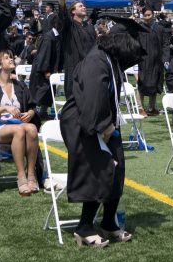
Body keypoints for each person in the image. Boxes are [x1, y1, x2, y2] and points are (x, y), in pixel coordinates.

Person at [59, 17, 145, 248]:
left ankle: (108, 222)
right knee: (102, 168)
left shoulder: (110, 58)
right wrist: (104, 128)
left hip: (103, 122)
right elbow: (93, 99)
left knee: (118, 170)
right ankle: (84, 227)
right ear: (119, 42)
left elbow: (136, 54)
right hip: (84, 123)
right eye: (130, 43)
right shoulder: (96, 61)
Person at [0, 52, 39, 194]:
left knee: (33, 128)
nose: (11, 59)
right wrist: (5, 108)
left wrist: (30, 113)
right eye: (6, 58)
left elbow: (32, 106)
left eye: (10, 57)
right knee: (19, 130)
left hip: (18, 125)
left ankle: (31, 175)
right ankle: (21, 176)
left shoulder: (20, 86)